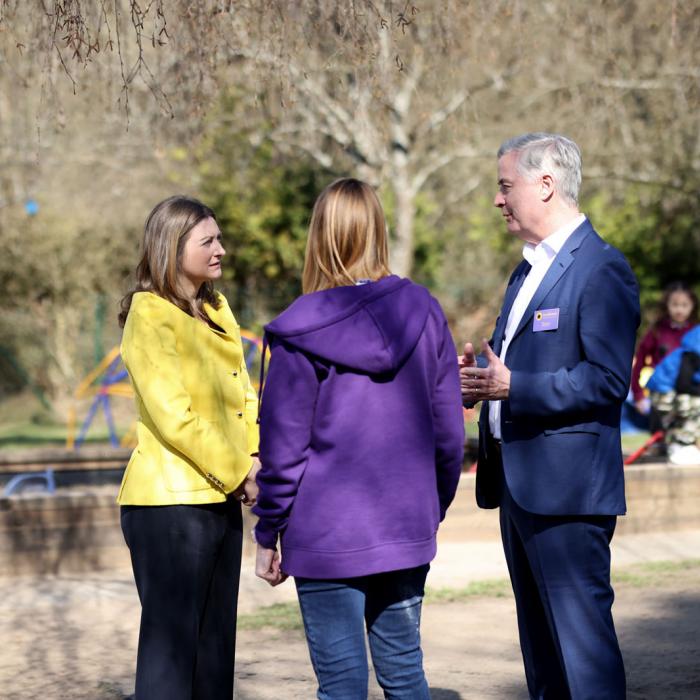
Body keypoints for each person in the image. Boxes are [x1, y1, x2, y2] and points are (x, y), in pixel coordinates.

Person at [252, 177, 465, 699]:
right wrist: (428, 508)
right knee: (405, 675)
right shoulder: (424, 310)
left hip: (325, 535)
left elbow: (284, 451)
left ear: (319, 237)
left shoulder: (300, 331)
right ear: (378, 231)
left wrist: (266, 533)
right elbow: (449, 430)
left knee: (341, 686)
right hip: (404, 523)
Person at [460, 133, 640, 699]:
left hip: (567, 496)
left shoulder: (602, 269)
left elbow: (608, 381)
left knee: (582, 657)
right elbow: (508, 368)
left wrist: (516, 386)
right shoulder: (525, 271)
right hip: (518, 488)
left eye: (504, 185)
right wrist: (479, 382)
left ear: (546, 183)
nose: (498, 199)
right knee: (541, 655)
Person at [117, 195, 260, 700]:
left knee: (214, 653)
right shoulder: (148, 314)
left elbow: (243, 392)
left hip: (219, 498)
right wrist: (242, 472)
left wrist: (255, 457)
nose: (221, 249)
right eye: (209, 241)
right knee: (170, 660)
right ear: (172, 247)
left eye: (219, 238)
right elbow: (173, 414)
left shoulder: (216, 307)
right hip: (169, 505)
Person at [630, 281, 697, 414]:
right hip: (661, 396)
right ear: (667, 305)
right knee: (662, 434)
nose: (679, 310)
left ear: (692, 306)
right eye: (675, 305)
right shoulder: (656, 331)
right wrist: (638, 395)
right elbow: (639, 363)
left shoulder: (696, 332)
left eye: (684, 305)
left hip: (689, 397)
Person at [646, 324, 700, 465]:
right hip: (664, 393)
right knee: (693, 406)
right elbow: (683, 385)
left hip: (670, 392)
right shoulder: (690, 354)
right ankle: (680, 446)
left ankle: (678, 443)